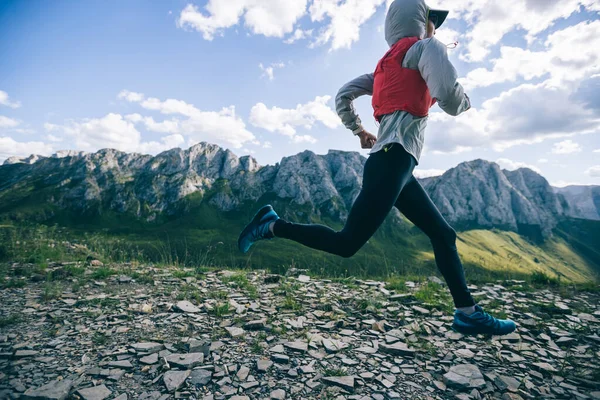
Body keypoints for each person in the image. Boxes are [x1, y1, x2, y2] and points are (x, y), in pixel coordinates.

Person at [237, 0, 516, 336]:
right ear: (421, 22)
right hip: (393, 162)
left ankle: (467, 313)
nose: (436, 29)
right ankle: (273, 225)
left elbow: (342, 95)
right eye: (432, 22)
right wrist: (463, 96)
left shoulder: (384, 68)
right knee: (346, 244)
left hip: (395, 165)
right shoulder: (427, 48)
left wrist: (359, 131)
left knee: (443, 234)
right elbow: (451, 99)